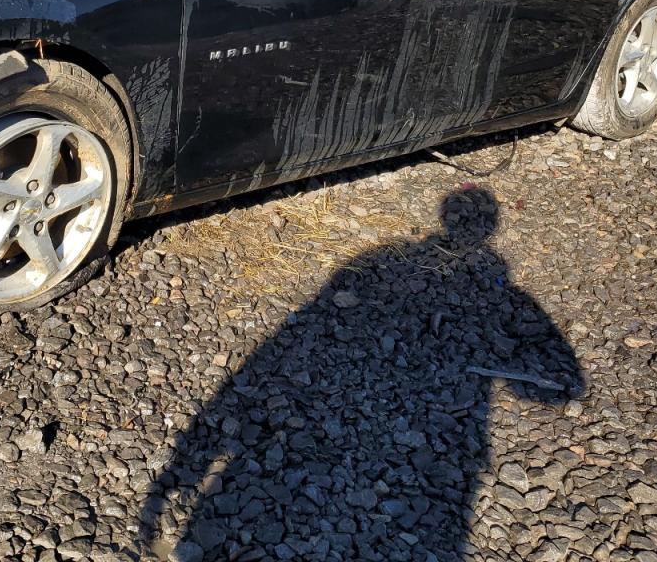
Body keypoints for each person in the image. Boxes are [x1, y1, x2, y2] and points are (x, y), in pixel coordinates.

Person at [138, 187, 582, 561]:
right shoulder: (476, 278)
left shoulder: (388, 259)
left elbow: (283, 340)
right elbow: (563, 387)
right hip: (446, 456)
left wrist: (190, 459)